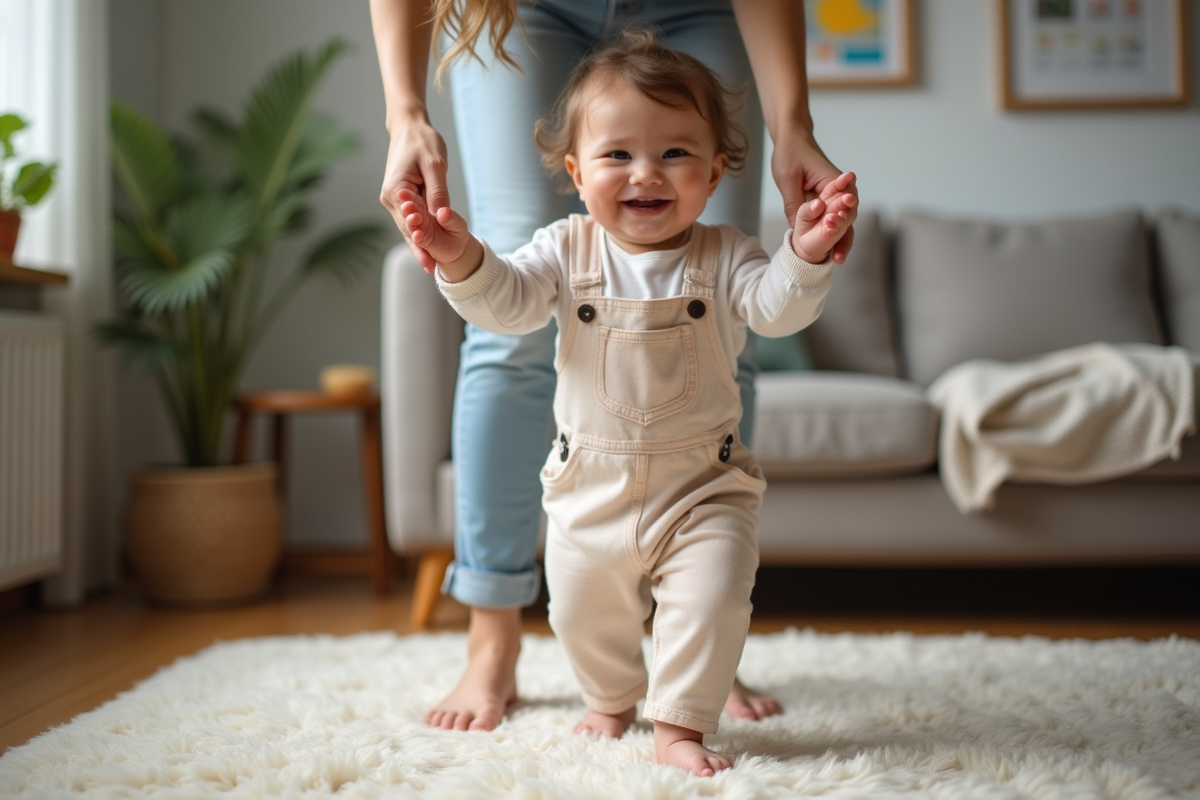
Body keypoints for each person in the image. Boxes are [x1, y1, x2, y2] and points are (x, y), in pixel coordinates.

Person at [369, 0, 858, 733]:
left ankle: (698, 655)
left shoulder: (728, 256)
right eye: (618, 158)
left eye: (672, 156)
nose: (645, 176)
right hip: (520, 12)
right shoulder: (564, 250)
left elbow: (772, 304)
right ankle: (494, 638)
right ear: (574, 171)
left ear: (716, 169)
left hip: (706, 9)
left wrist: (803, 206)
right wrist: (456, 246)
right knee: (511, 347)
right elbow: (506, 301)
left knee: (733, 338)